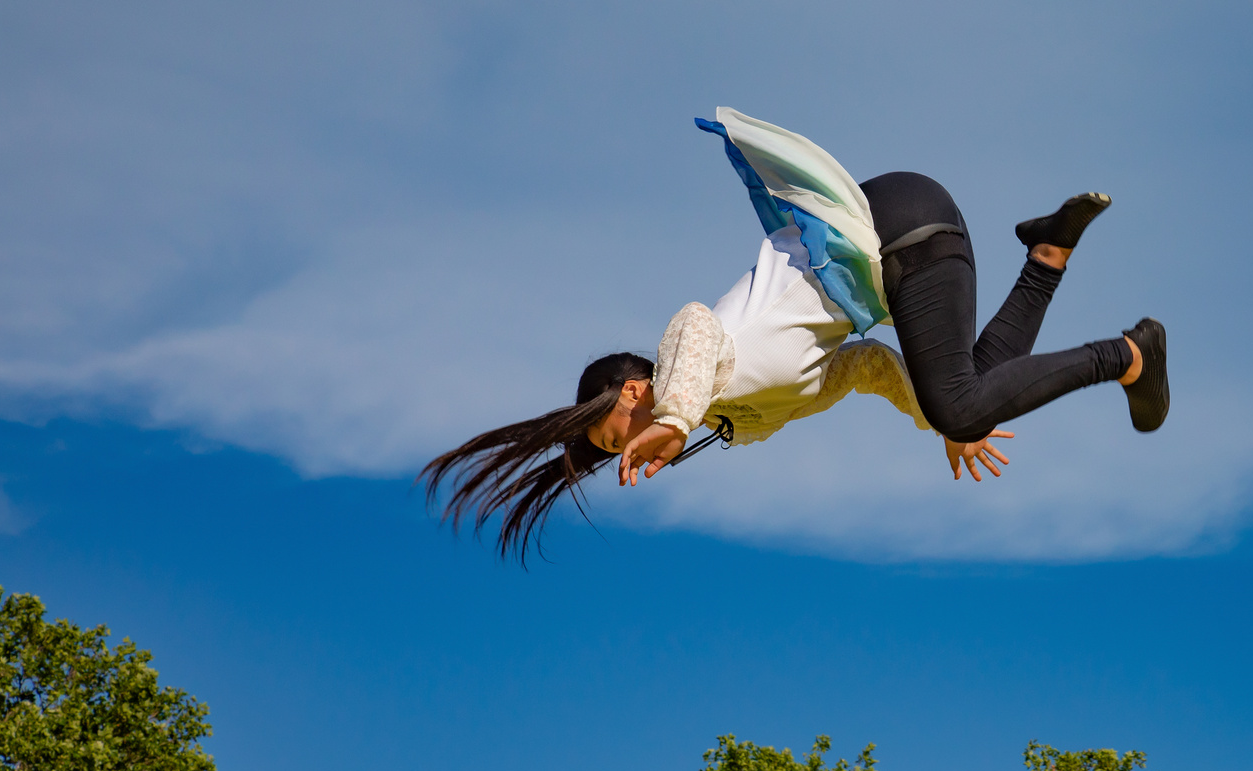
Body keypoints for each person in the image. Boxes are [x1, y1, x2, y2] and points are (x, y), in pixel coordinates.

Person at [421, 108, 1168, 560]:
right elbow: (866, 366)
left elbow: (695, 324)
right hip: (916, 253)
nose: (637, 455)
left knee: (964, 402)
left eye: (622, 434)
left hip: (889, 221)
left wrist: (676, 419)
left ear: (635, 389)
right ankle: (1047, 252)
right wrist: (944, 420)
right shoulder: (747, 415)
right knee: (974, 398)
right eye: (627, 454)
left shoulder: (696, 359)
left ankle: (1129, 354)